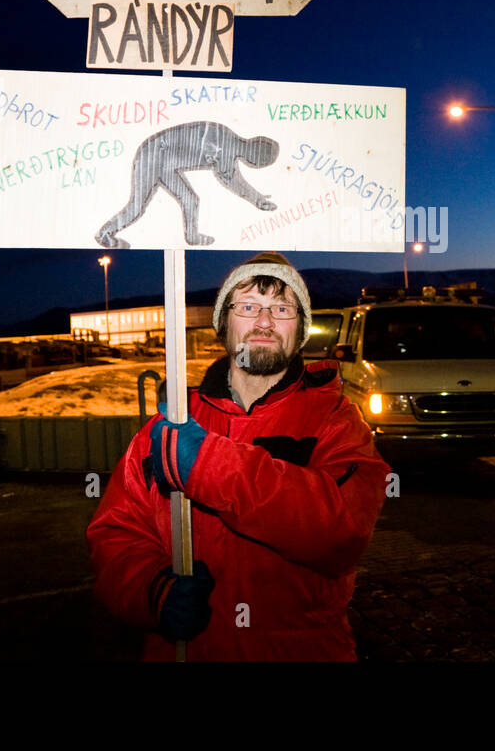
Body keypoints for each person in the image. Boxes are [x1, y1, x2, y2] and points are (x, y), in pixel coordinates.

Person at [86, 251, 390, 660]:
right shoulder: (168, 428)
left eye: (281, 309)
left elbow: (342, 532)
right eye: (248, 307)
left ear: (300, 328)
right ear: (223, 323)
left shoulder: (336, 420)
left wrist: (210, 466)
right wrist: (152, 591)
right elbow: (115, 536)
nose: (264, 322)